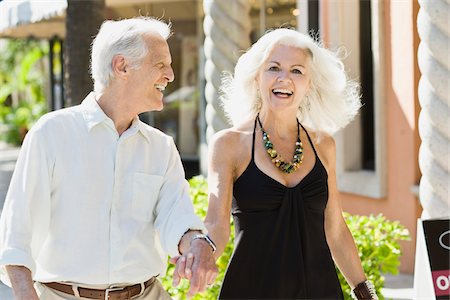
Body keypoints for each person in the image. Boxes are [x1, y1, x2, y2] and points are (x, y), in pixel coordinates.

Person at [0, 17, 217, 300]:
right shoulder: (51, 134)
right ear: (122, 66)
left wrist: (196, 243)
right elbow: (17, 234)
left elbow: (177, 219)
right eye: (161, 64)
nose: (171, 76)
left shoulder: (161, 147)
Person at [203, 28, 378, 299]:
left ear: (310, 84)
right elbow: (217, 225)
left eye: (297, 71)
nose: (284, 78)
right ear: (257, 77)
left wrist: (365, 292)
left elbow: (335, 229)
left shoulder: (323, 145)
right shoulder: (229, 144)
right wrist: (200, 254)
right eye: (274, 68)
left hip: (320, 291)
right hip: (251, 290)